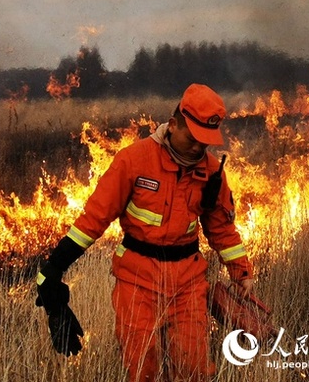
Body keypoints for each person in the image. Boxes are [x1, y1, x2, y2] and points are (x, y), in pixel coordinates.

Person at [36, 83, 254, 382]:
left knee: (195, 369)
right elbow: (94, 219)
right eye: (193, 139)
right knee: (143, 368)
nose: (198, 148)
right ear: (174, 124)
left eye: (205, 143)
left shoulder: (212, 172)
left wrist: (241, 272)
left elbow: (222, 229)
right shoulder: (134, 160)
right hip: (137, 280)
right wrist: (55, 266)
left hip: (188, 283)